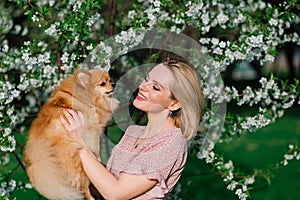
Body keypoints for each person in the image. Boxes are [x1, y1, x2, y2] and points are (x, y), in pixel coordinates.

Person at [60, 57, 204, 199]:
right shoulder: (133, 132)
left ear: (174, 104)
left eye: (155, 87)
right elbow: (107, 181)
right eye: (146, 79)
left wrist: (79, 145)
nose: (142, 87)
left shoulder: (171, 144)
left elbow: (116, 193)